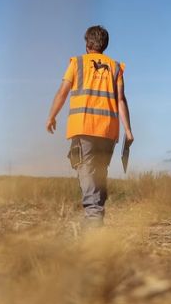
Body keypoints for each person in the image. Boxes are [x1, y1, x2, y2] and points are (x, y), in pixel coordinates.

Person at [45, 25, 133, 226]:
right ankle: (95, 227)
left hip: (84, 128)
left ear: (87, 44)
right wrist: (128, 130)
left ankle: (93, 236)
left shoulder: (77, 63)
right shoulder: (116, 67)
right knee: (98, 177)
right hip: (108, 132)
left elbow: (62, 92)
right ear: (105, 45)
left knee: (88, 176)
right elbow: (121, 100)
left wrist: (51, 116)